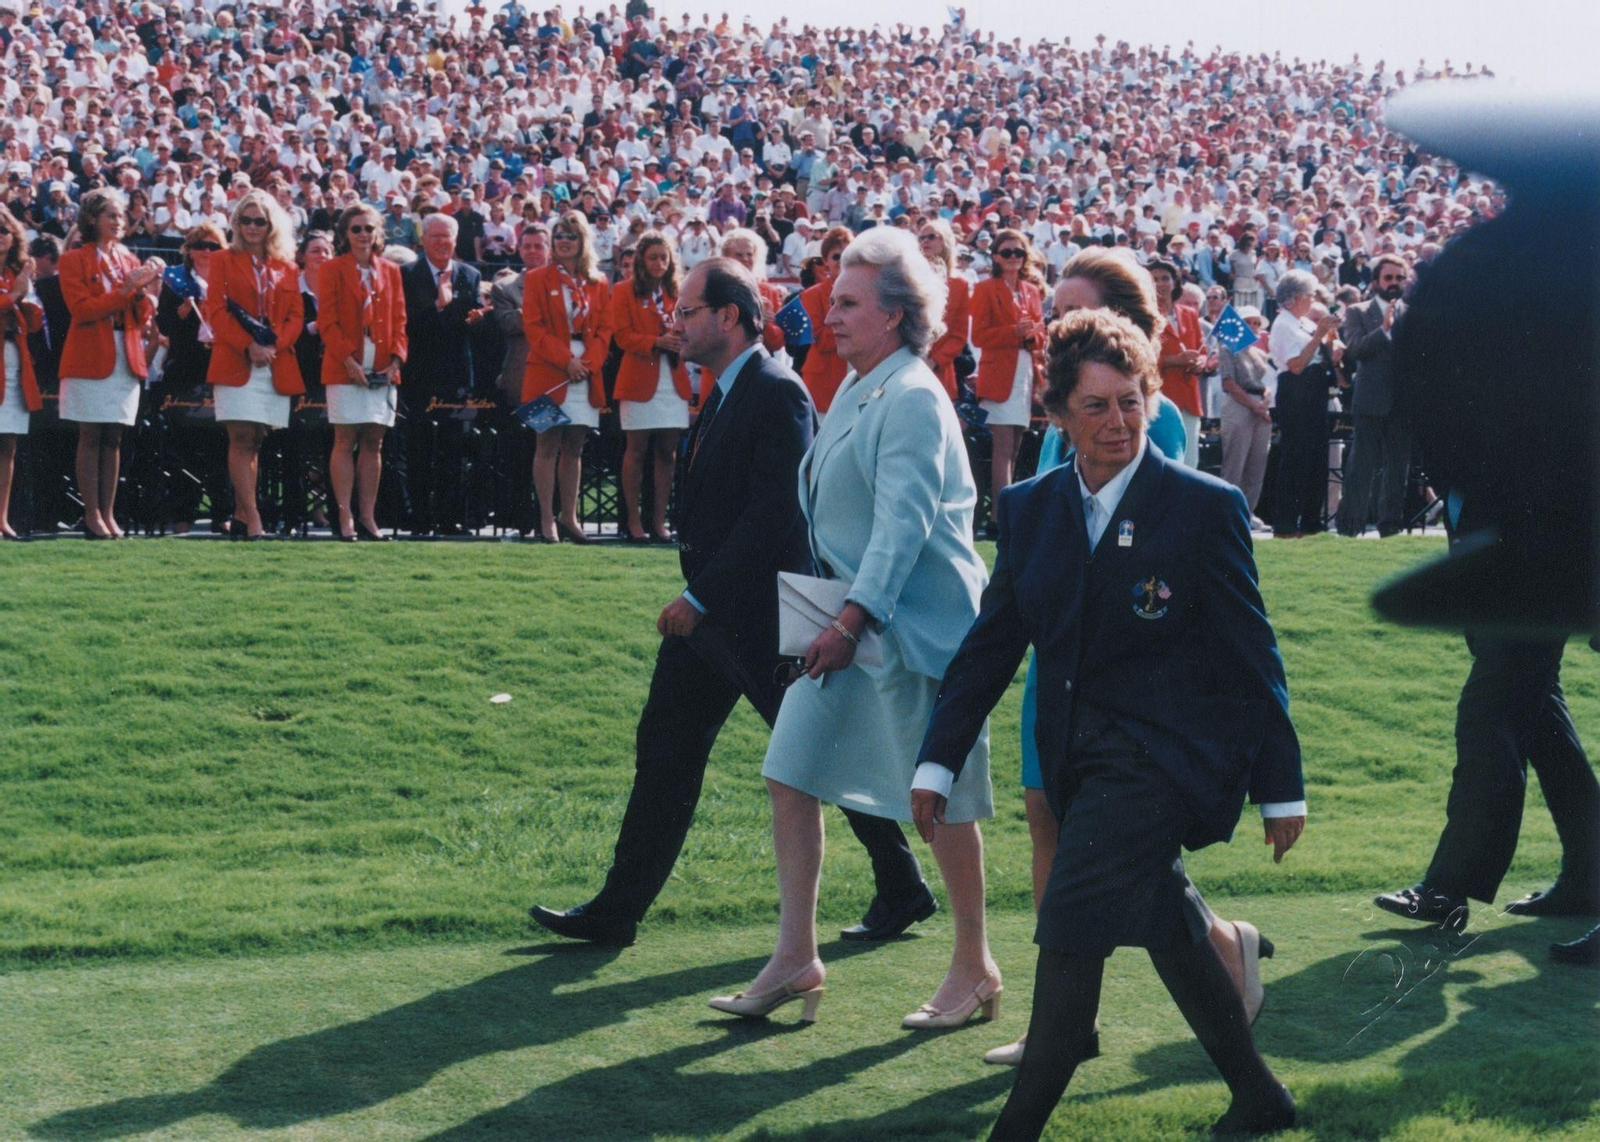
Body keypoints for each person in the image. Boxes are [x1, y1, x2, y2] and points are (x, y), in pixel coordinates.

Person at [916, 308, 1305, 1138]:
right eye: (1095, 406)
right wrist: (937, 763)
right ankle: (1260, 1097)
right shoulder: (1029, 509)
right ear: (1057, 414)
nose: (1119, 422)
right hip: (1078, 769)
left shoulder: (1204, 507)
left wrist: (1281, 787)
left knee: (1067, 942)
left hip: (1163, 766)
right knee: (1167, 925)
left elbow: (1252, 655)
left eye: (1131, 401)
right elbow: (990, 648)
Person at [531, 257, 928, 949]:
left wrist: (697, 593)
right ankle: (618, 908)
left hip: (774, 612)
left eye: (686, 311)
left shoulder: (777, 391)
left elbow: (778, 513)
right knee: (667, 747)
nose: (674, 322)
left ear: (729, 317)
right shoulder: (728, 389)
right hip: (726, 616)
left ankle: (901, 884)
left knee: (820, 751)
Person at [984, 248, 1273, 1070]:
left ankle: (1067, 1023)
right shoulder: (1066, 414)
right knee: (1064, 829)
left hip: (1124, 670)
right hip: (1057, 653)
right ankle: (1114, 1002)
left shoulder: (1148, 419)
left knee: (1109, 848)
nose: (1054, 321)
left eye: (1071, 308)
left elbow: (1161, 556)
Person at [710, 228, 995, 1027]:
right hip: (845, 621)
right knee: (789, 769)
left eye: (846, 302)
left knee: (936, 800)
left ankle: (974, 965)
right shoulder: (862, 383)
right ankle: (795, 956)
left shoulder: (908, 395)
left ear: (897, 314)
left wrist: (851, 617)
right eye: (830, 299)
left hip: (907, 630)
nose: (826, 314)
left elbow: (902, 530)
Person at [57, 187, 163, 540]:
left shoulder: (129, 259)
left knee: (114, 436)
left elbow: (141, 313)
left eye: (121, 216)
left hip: (125, 349)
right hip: (90, 351)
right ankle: (91, 515)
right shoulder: (73, 259)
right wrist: (124, 292)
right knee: (91, 435)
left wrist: (150, 293)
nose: (119, 222)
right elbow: (82, 310)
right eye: (111, 216)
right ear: (92, 219)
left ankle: (109, 513)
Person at [204, 190, 305, 540]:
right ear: (235, 224)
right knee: (241, 435)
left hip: (274, 360)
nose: (251, 226)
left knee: (257, 439)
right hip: (236, 358)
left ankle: (241, 514)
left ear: (271, 225)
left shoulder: (286, 266)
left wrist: (273, 345)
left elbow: (295, 315)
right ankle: (254, 518)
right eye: (244, 220)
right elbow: (215, 311)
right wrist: (249, 346)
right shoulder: (222, 260)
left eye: (259, 220)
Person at [521, 210, 610, 545]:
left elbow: (604, 329)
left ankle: (569, 517)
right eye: (558, 235)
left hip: (584, 373)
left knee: (574, 446)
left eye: (570, 235)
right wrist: (566, 361)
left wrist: (586, 362)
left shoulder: (598, 282)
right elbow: (534, 328)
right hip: (547, 371)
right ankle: (546, 519)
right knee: (546, 445)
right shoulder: (537, 278)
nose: (563, 241)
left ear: (582, 240)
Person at [319, 204, 407, 542]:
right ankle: (344, 517)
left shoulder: (391, 271)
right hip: (346, 368)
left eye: (369, 228)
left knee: (374, 441)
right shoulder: (332, 269)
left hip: (383, 368)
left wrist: (397, 359)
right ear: (344, 234)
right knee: (345, 440)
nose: (363, 235)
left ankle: (368, 516)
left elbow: (400, 320)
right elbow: (328, 322)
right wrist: (349, 362)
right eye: (356, 229)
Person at [400, 212, 487, 537]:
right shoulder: (407, 273)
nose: (441, 243)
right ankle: (421, 519)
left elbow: (472, 317)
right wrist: (445, 310)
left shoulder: (470, 274)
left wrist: (474, 318)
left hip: (456, 374)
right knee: (418, 448)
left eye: (446, 237)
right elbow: (410, 321)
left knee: (454, 449)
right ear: (423, 240)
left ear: (455, 240)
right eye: (435, 236)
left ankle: (451, 519)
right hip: (419, 373)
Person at [611, 230, 690, 543]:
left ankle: (659, 522)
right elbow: (622, 336)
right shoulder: (623, 291)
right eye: (653, 257)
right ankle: (633, 521)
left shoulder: (679, 292)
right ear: (642, 260)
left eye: (664, 257)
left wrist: (679, 341)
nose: (659, 263)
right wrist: (656, 342)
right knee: (636, 451)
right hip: (639, 378)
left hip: (674, 381)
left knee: (667, 454)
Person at [969, 228, 1045, 525]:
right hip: (999, 372)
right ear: (996, 257)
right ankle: (1000, 518)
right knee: (1002, 447)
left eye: (1019, 252)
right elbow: (979, 336)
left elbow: (1040, 337)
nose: (1013, 257)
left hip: (1025, 371)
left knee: (1015, 445)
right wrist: (1013, 331)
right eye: (1007, 252)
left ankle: (1006, 513)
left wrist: (1030, 336)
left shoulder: (1032, 291)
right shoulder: (986, 288)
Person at [153, 223, 224, 535]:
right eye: (200, 245)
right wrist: (180, 314)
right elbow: (163, 326)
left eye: (212, 245)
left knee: (222, 445)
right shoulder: (174, 282)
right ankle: (183, 512)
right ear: (189, 249)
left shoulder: (228, 277)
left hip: (221, 368)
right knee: (183, 448)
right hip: (185, 370)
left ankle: (223, 511)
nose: (206, 251)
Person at [1335, 254, 1411, 538]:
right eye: (1389, 278)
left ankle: (1390, 528)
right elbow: (1354, 350)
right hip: (1370, 399)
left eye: (1399, 278)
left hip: (1403, 401)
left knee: (1397, 468)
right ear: (1376, 281)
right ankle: (1350, 527)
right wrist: (1384, 329)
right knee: (1361, 465)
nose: (1394, 283)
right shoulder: (1358, 311)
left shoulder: (1412, 311)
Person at [1267, 270, 1342, 538]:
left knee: (1317, 458)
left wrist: (1330, 337)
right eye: (1310, 295)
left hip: (1316, 391)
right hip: (1296, 391)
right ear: (1296, 298)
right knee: (1296, 458)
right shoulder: (1283, 325)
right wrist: (1318, 334)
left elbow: (1323, 352)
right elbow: (1296, 365)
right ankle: (1286, 523)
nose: (1313, 300)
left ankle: (1312, 520)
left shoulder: (1304, 323)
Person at [491, 223, 549, 536]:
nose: (531, 251)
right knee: (519, 454)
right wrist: (544, 307)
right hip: (520, 382)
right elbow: (509, 322)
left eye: (538, 246)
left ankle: (549, 519)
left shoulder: (564, 285)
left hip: (554, 382)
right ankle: (520, 521)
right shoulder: (505, 287)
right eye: (526, 246)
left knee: (551, 451)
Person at [0, 210, 43, 539]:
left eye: (4, 230)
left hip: (14, 361)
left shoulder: (18, 271)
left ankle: (1, 518)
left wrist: (25, 297)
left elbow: (35, 322)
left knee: (8, 445)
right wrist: (13, 296)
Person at [1148, 257, 1209, 468]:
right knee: (1162, 463)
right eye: (1154, 279)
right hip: (1159, 400)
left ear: (1175, 283)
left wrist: (1201, 362)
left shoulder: (1190, 314)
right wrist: (1174, 360)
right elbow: (1140, 360)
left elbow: (1203, 349)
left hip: (1189, 399)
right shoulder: (1142, 316)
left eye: (1165, 278)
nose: (1160, 283)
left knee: (1190, 463)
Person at [1217, 306, 1275, 520]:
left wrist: (1265, 402)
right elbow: (1229, 383)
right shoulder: (1227, 349)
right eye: (1248, 322)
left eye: (1256, 323)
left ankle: (1248, 512)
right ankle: (1228, 514)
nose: (1252, 326)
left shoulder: (1260, 354)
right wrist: (1254, 405)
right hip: (1239, 405)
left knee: (1257, 463)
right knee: (1235, 462)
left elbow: (1268, 383)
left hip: (1260, 407)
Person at [795, 225, 851, 413]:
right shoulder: (812, 295)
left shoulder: (868, 293)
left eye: (847, 255)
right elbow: (821, 339)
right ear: (826, 261)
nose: (842, 261)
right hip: (823, 382)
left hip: (857, 375)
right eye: (836, 256)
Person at [918, 218, 970, 401]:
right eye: (921, 237)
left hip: (940, 371)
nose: (925, 241)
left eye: (931, 237)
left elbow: (959, 336)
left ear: (946, 241)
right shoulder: (909, 281)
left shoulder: (960, 285)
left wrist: (934, 361)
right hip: (907, 364)